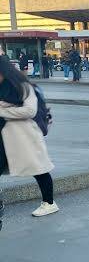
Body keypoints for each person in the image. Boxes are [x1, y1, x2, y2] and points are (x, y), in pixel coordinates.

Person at [0, 55, 58, 216]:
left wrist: (3, 111)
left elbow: (30, 110)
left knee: (39, 168)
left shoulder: (23, 87)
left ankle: (49, 203)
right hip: (4, 136)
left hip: (23, 135)